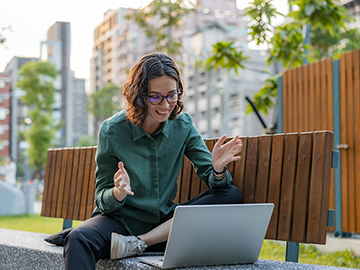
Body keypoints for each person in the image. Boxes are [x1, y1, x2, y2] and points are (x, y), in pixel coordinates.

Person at [63, 52, 244, 270]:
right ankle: (139, 241)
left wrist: (216, 169)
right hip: (121, 223)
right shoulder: (112, 130)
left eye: (171, 95)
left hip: (164, 226)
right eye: (155, 97)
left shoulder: (183, 125)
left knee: (231, 194)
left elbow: (217, 183)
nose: (166, 105)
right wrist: (118, 193)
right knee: (78, 238)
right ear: (139, 96)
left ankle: (142, 242)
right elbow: (101, 198)